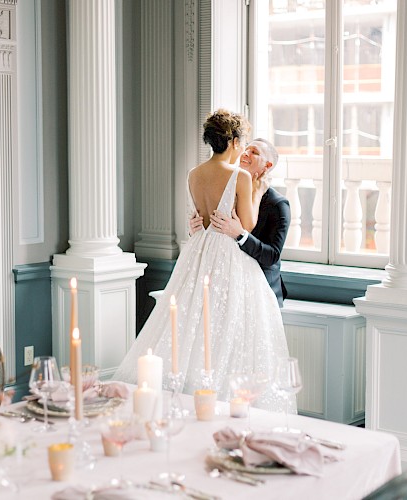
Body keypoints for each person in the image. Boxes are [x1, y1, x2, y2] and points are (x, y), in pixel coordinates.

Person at [113, 109, 292, 410]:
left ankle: (182, 397)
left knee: (190, 326)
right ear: (234, 141)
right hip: (228, 257)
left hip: (197, 252)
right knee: (225, 331)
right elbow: (246, 226)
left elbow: (199, 218)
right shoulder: (241, 177)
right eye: (243, 142)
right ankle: (222, 401)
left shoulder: (193, 174)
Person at [189, 138, 290, 307]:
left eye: (254, 152)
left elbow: (272, 256)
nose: (246, 153)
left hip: (261, 293)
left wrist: (241, 235)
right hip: (226, 286)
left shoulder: (278, 204)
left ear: (267, 166)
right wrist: (196, 230)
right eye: (246, 149)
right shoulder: (227, 192)